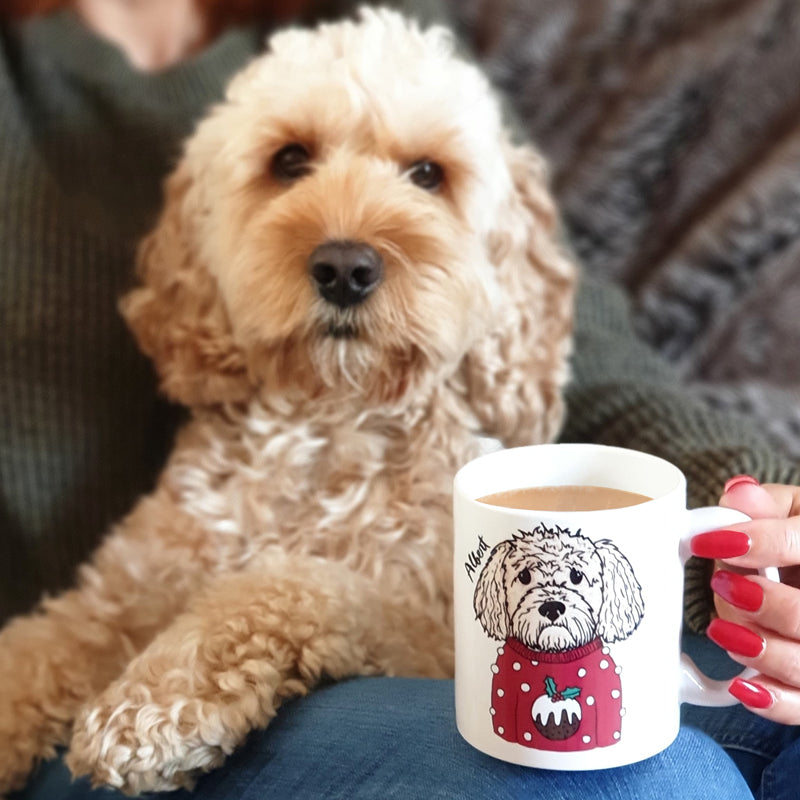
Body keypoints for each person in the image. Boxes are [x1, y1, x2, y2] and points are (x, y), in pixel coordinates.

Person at [1, 1, 798, 798]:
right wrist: (289, 616)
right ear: (200, 245)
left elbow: (609, 378)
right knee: (644, 781)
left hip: (444, 611)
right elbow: (91, 630)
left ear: (503, 251)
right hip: (125, 726)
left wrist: (762, 519)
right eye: (290, 163)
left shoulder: (368, 18)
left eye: (425, 175)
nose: (347, 246)